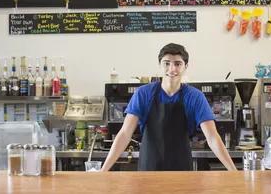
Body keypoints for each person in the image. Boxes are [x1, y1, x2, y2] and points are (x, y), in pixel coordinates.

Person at [101, 43, 237, 171]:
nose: (172, 69)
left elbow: (212, 137)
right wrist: (104, 170)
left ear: (186, 66)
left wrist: (234, 172)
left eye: (178, 64)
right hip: (149, 168)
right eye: (167, 63)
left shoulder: (195, 97)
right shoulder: (144, 93)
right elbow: (125, 134)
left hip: (181, 168)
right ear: (160, 65)